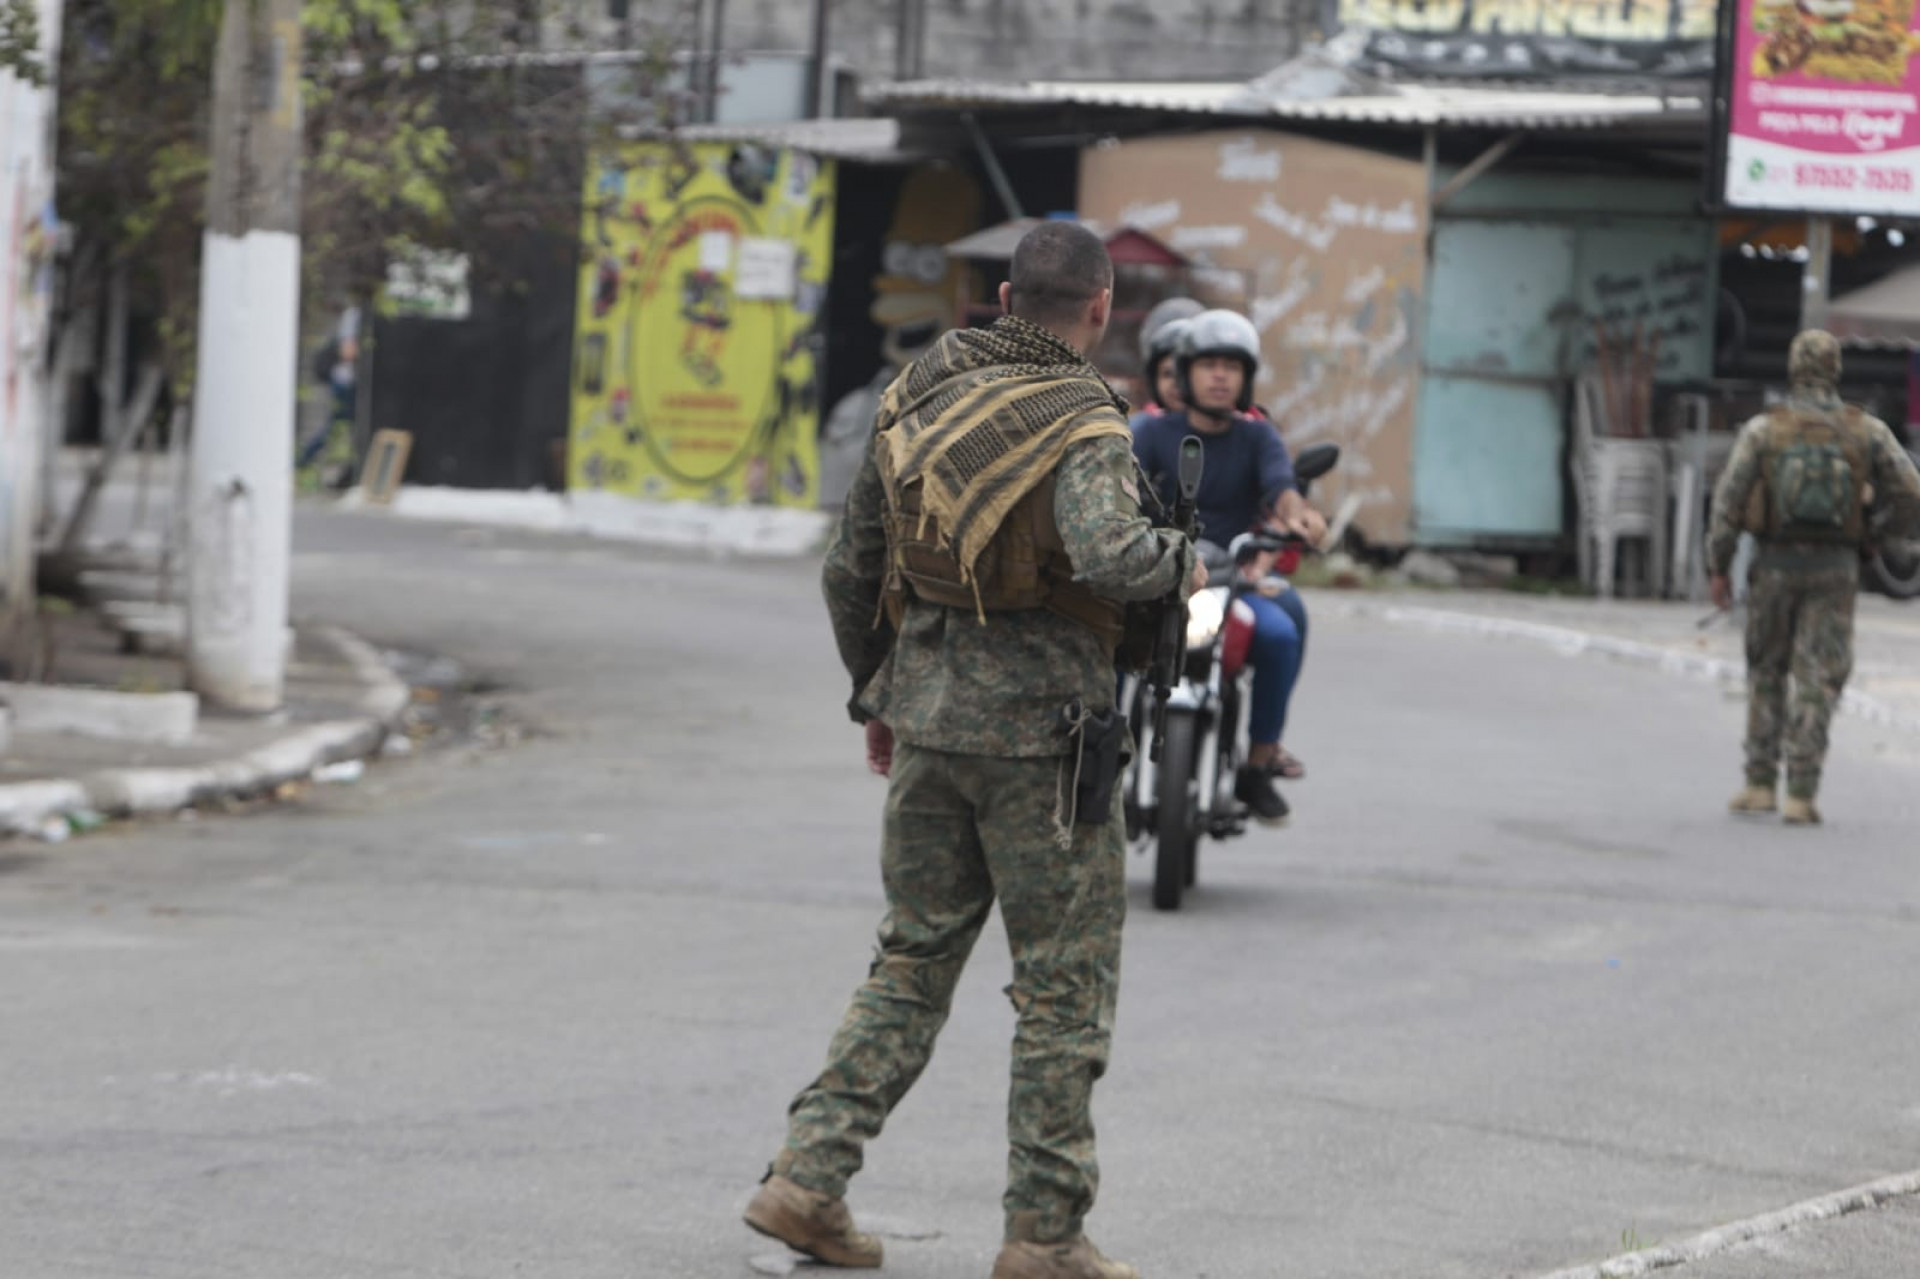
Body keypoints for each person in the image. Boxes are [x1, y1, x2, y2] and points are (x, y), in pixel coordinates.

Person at [746, 222, 1202, 1279]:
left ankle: (805, 1180)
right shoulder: (1084, 418)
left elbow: (848, 568)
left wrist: (878, 691)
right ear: (1098, 309)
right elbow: (1107, 551)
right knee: (1060, 988)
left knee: (910, 960)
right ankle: (1044, 1235)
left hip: (931, 720)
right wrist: (1181, 556)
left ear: (1005, 296)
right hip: (1045, 745)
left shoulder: (921, 388)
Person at [1708, 329, 1920, 825]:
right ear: (1836, 370)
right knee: (1818, 676)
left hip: (1774, 566)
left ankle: (1759, 783)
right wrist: (1880, 533)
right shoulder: (1864, 430)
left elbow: (1728, 501)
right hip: (1837, 568)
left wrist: (1718, 567)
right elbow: (1912, 492)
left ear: (1793, 369)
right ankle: (1801, 791)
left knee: (1766, 669)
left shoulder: (1765, 430)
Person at [1131, 309, 1326, 823]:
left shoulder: (1256, 437)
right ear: (1185, 371)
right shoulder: (1149, 432)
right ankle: (1097, 753)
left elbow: (1281, 489)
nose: (1220, 376)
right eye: (1209, 364)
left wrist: (1301, 518)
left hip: (1231, 582)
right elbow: (1118, 487)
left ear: (1246, 378)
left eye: (1232, 367)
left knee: (1282, 633)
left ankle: (1257, 764)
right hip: (1156, 580)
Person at [1127, 296, 1203, 426]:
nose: (1178, 383)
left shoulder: (1241, 428)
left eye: (1187, 372)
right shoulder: (1138, 432)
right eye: (1168, 374)